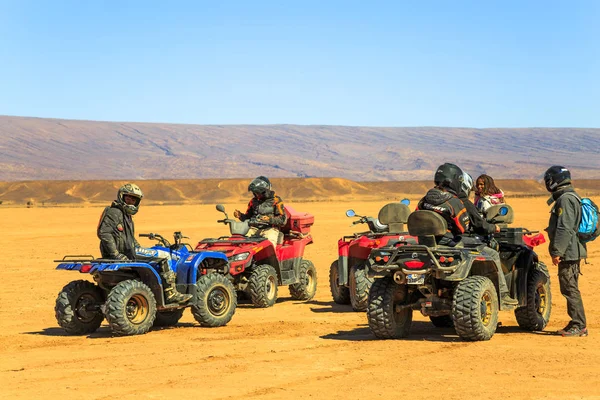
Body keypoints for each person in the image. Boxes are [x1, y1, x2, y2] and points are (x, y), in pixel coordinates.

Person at [418, 163, 518, 307]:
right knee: (493, 254)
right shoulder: (456, 201)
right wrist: (491, 228)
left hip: (424, 243)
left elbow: (417, 214)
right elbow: (463, 227)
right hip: (450, 242)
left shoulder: (425, 199)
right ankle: (503, 294)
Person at [97, 183, 192, 304]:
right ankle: (171, 293)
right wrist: (116, 254)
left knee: (154, 253)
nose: (131, 202)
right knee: (165, 256)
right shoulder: (115, 212)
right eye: (128, 198)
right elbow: (105, 234)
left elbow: (129, 239)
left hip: (128, 250)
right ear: (121, 197)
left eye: (134, 200)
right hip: (125, 253)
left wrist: (138, 247)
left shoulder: (125, 215)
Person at [544, 166, 588, 337]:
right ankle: (576, 322)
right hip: (570, 250)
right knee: (569, 287)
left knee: (570, 288)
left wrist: (557, 251)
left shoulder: (566, 199)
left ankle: (579, 325)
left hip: (569, 252)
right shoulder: (568, 197)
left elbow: (565, 228)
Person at [233, 176, 287, 248]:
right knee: (241, 244)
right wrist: (240, 215)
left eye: (259, 193)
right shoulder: (253, 202)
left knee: (268, 247)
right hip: (254, 229)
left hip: (270, 229)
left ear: (266, 191)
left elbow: (283, 219)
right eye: (255, 193)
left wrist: (269, 219)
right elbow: (248, 218)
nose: (257, 195)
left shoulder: (276, 200)